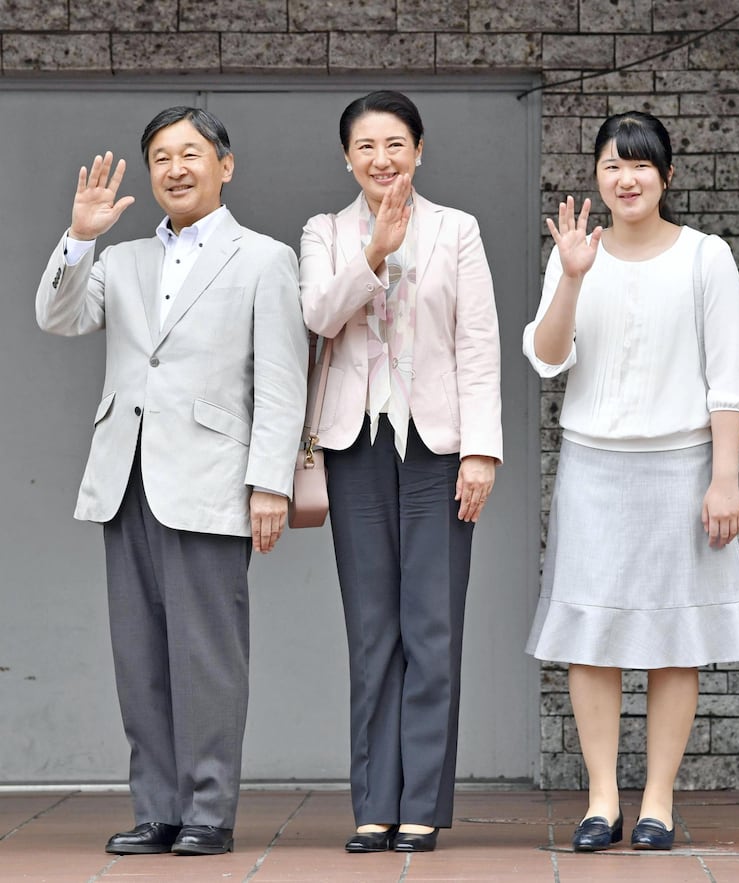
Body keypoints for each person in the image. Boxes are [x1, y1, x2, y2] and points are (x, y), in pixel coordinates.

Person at [35, 107, 308, 856]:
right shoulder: (118, 260)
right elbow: (56, 316)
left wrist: (270, 483)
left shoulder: (263, 258)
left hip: (213, 480)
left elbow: (282, 381)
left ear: (226, 164)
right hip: (125, 477)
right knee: (141, 657)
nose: (175, 168)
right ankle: (157, 808)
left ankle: (209, 812)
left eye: (191, 153)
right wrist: (80, 236)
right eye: (161, 156)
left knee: (208, 658)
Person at [523, 111, 739, 853]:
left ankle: (658, 799)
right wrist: (570, 277)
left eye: (640, 164)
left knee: (674, 639)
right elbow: (546, 355)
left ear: (666, 176)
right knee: (590, 635)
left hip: (682, 466)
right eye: (611, 164)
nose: (625, 177)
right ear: (596, 176)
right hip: (593, 465)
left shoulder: (706, 256)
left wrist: (724, 478)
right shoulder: (576, 254)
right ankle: (602, 799)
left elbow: (728, 380)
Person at [299, 90, 502, 854]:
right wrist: (374, 250)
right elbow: (320, 313)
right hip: (355, 446)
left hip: (439, 447)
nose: (381, 159)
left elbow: (477, 342)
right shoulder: (324, 232)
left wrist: (481, 448)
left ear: (419, 149)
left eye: (395, 144)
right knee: (372, 629)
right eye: (365, 147)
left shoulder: (458, 229)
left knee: (432, 624)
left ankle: (420, 803)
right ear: (347, 158)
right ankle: (373, 803)